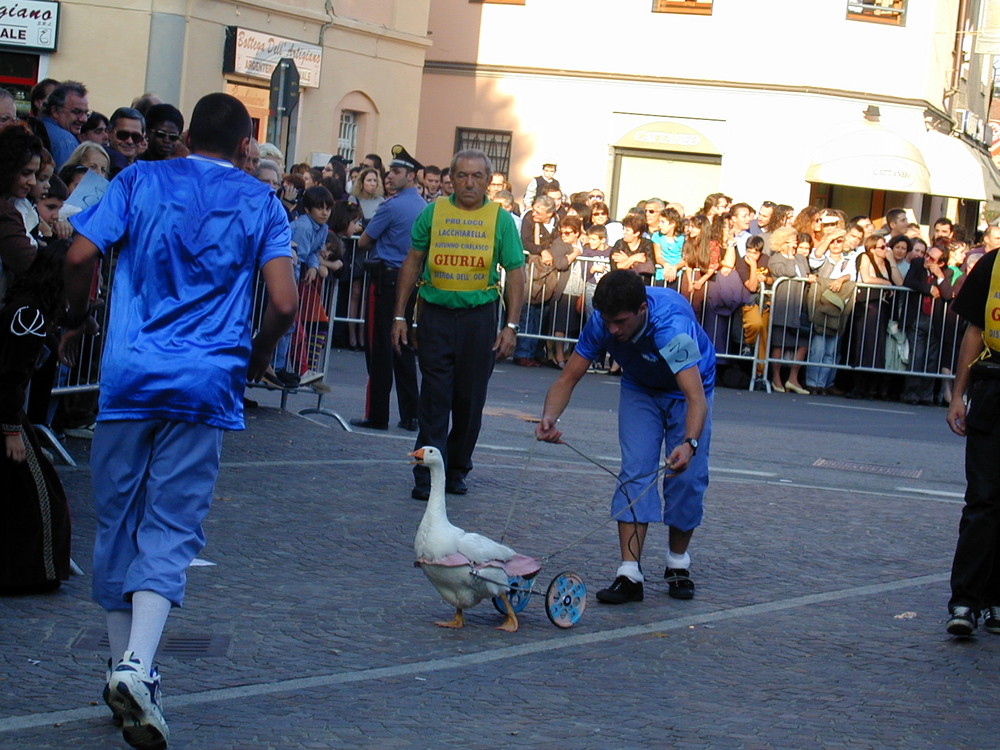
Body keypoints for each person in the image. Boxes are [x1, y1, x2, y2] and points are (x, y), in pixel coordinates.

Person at [61, 92, 297, 750]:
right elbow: (283, 299)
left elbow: (79, 256)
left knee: (118, 522)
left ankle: (122, 666)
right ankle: (138, 666)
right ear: (246, 146)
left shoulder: (137, 179)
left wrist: (76, 318)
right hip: (204, 381)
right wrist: (257, 353)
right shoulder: (259, 202)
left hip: (129, 374)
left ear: (186, 134)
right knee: (170, 525)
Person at [536, 269, 715, 604]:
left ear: (643, 310)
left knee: (686, 478)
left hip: (689, 391)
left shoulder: (670, 328)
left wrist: (689, 443)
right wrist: (550, 416)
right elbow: (567, 378)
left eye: (620, 321)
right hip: (640, 387)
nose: (613, 330)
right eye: (608, 321)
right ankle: (629, 573)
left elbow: (695, 398)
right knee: (635, 471)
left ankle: (678, 564)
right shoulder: (601, 324)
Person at [391, 148, 525, 500]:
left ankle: (457, 469)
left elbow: (515, 273)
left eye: (477, 176)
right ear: (451, 178)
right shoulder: (433, 212)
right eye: (462, 175)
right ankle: (426, 475)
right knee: (434, 399)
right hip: (434, 316)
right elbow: (413, 261)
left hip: (479, 320)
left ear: (488, 181)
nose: (469, 183)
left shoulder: (501, 220)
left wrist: (511, 326)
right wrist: (400, 316)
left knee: (469, 400)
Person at [1, 243, 73, 595]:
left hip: (7, 409)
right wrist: (11, 429)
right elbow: (11, 374)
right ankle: (29, 572)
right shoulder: (28, 315)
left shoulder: (31, 309)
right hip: (5, 412)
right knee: (40, 495)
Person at [944, 246, 1000, 636]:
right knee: (983, 499)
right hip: (994, 389)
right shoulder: (993, 265)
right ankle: (965, 600)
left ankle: (996, 599)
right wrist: (957, 395)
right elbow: (975, 330)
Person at [349, 145, 424, 431]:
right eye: (390, 170)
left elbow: (365, 241)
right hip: (410, 282)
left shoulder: (391, 206)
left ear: (411, 175)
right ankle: (411, 414)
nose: (389, 176)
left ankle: (377, 413)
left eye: (396, 171)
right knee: (403, 348)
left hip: (386, 281)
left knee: (379, 348)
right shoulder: (423, 206)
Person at [41, 81, 89, 168]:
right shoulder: (66, 142)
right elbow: (68, 180)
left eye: (86, 113)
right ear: (55, 111)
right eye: (77, 112)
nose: (84, 119)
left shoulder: (36, 126)